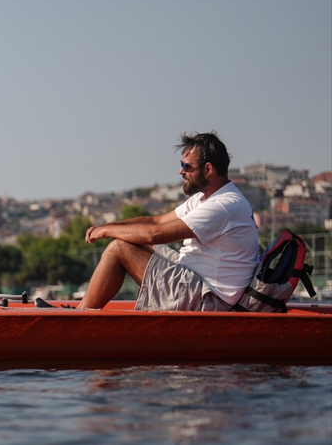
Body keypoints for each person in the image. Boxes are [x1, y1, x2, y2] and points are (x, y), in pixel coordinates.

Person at [78, 132, 259, 311]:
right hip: (197, 284)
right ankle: (82, 311)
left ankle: (79, 317)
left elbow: (155, 235)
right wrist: (108, 226)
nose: (181, 171)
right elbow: (157, 221)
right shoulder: (206, 198)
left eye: (186, 166)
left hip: (208, 299)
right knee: (126, 240)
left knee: (120, 248)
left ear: (208, 169)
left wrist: (106, 232)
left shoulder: (223, 205)